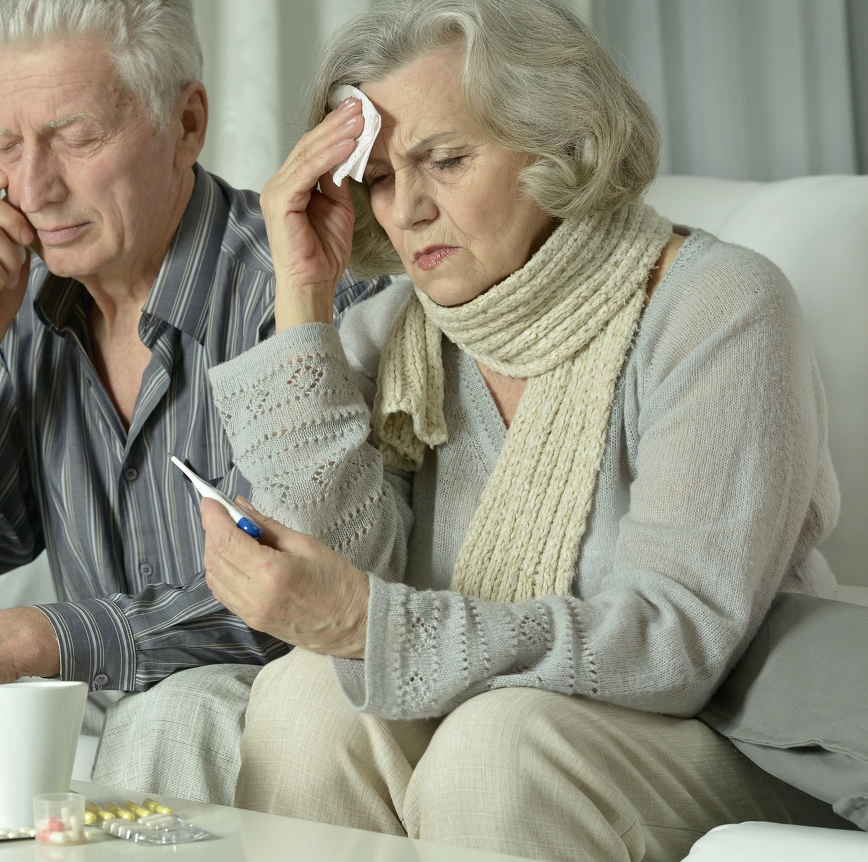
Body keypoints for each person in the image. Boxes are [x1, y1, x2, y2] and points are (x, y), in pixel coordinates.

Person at [197, 0, 849, 858]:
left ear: (558, 143)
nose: (407, 209)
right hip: (508, 724)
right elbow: (345, 593)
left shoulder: (717, 304)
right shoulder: (390, 335)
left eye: (445, 160)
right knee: (302, 700)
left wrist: (372, 628)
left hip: (727, 733)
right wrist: (303, 294)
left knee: (497, 747)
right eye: (380, 177)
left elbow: (679, 644)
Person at [0, 0, 385, 805]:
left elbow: (300, 593)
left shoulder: (307, 284)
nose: (34, 188)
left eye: (74, 137)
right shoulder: (27, 302)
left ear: (186, 124)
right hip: (93, 673)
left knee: (174, 711)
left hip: (253, 682)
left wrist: (36, 635)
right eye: (6, 144)